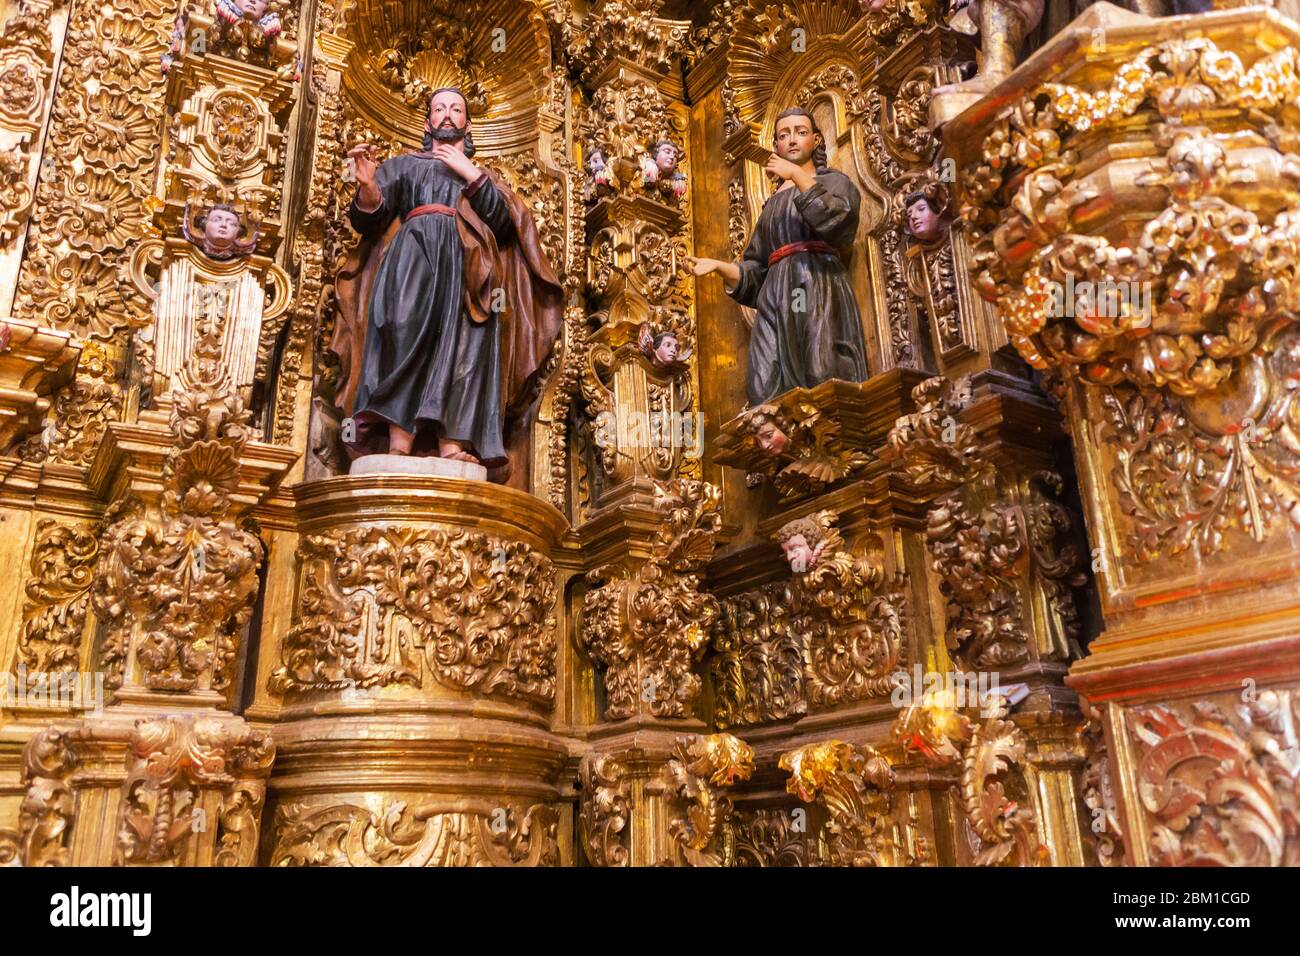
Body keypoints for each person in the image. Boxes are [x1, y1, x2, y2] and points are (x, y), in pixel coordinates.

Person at [332, 87, 563, 480]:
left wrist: (469, 172)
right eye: (439, 109)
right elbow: (370, 221)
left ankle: (452, 445)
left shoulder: (481, 175)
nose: (447, 115)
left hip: (467, 266)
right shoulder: (405, 165)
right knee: (401, 333)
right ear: (428, 123)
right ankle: (398, 441)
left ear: (467, 125)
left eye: (456, 109)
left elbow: (504, 225)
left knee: (464, 348)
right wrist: (368, 185)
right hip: (412, 260)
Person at [685, 107, 869, 406]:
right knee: (762, 383)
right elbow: (758, 270)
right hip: (775, 296)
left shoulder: (834, 182)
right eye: (784, 135)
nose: (792, 140)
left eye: (800, 132)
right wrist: (721, 268)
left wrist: (796, 174)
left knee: (822, 370)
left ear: (816, 139)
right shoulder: (772, 204)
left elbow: (837, 221)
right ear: (776, 146)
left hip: (816, 284)